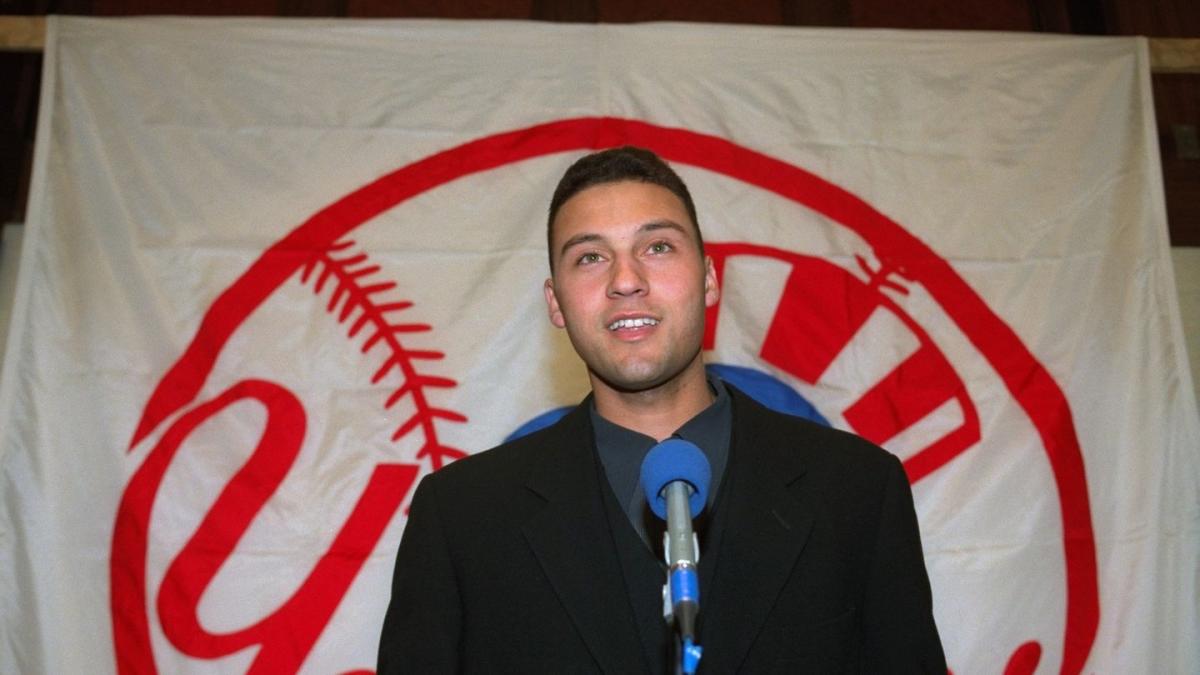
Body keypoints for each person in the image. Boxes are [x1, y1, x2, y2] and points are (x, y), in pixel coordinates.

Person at [377, 146, 946, 673]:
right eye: (591, 257)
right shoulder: (461, 516)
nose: (627, 280)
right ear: (555, 303)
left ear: (709, 278)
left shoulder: (857, 489)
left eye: (657, 247)